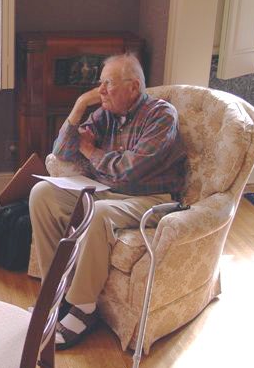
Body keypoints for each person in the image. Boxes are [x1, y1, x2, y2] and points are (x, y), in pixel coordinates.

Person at [29, 53, 187, 349]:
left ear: (133, 87)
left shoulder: (161, 116)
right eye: (100, 83)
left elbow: (129, 170)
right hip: (110, 189)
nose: (100, 91)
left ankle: (83, 308)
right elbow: (62, 152)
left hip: (151, 198)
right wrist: (79, 106)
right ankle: (55, 292)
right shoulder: (106, 114)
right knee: (42, 194)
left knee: (98, 212)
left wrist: (91, 151)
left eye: (108, 84)